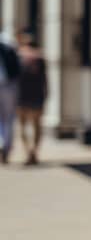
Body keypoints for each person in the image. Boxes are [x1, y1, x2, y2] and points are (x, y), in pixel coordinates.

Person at [15, 30, 47, 166]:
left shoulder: (18, 56)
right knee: (36, 126)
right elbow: (45, 80)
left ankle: (28, 152)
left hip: (21, 96)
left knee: (22, 126)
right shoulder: (40, 58)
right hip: (37, 96)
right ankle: (33, 152)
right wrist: (46, 94)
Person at [0, 36, 19, 165]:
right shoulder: (8, 42)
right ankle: (5, 145)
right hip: (8, 85)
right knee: (8, 118)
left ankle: (3, 144)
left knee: (5, 118)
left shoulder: (7, 42)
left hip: (8, 84)